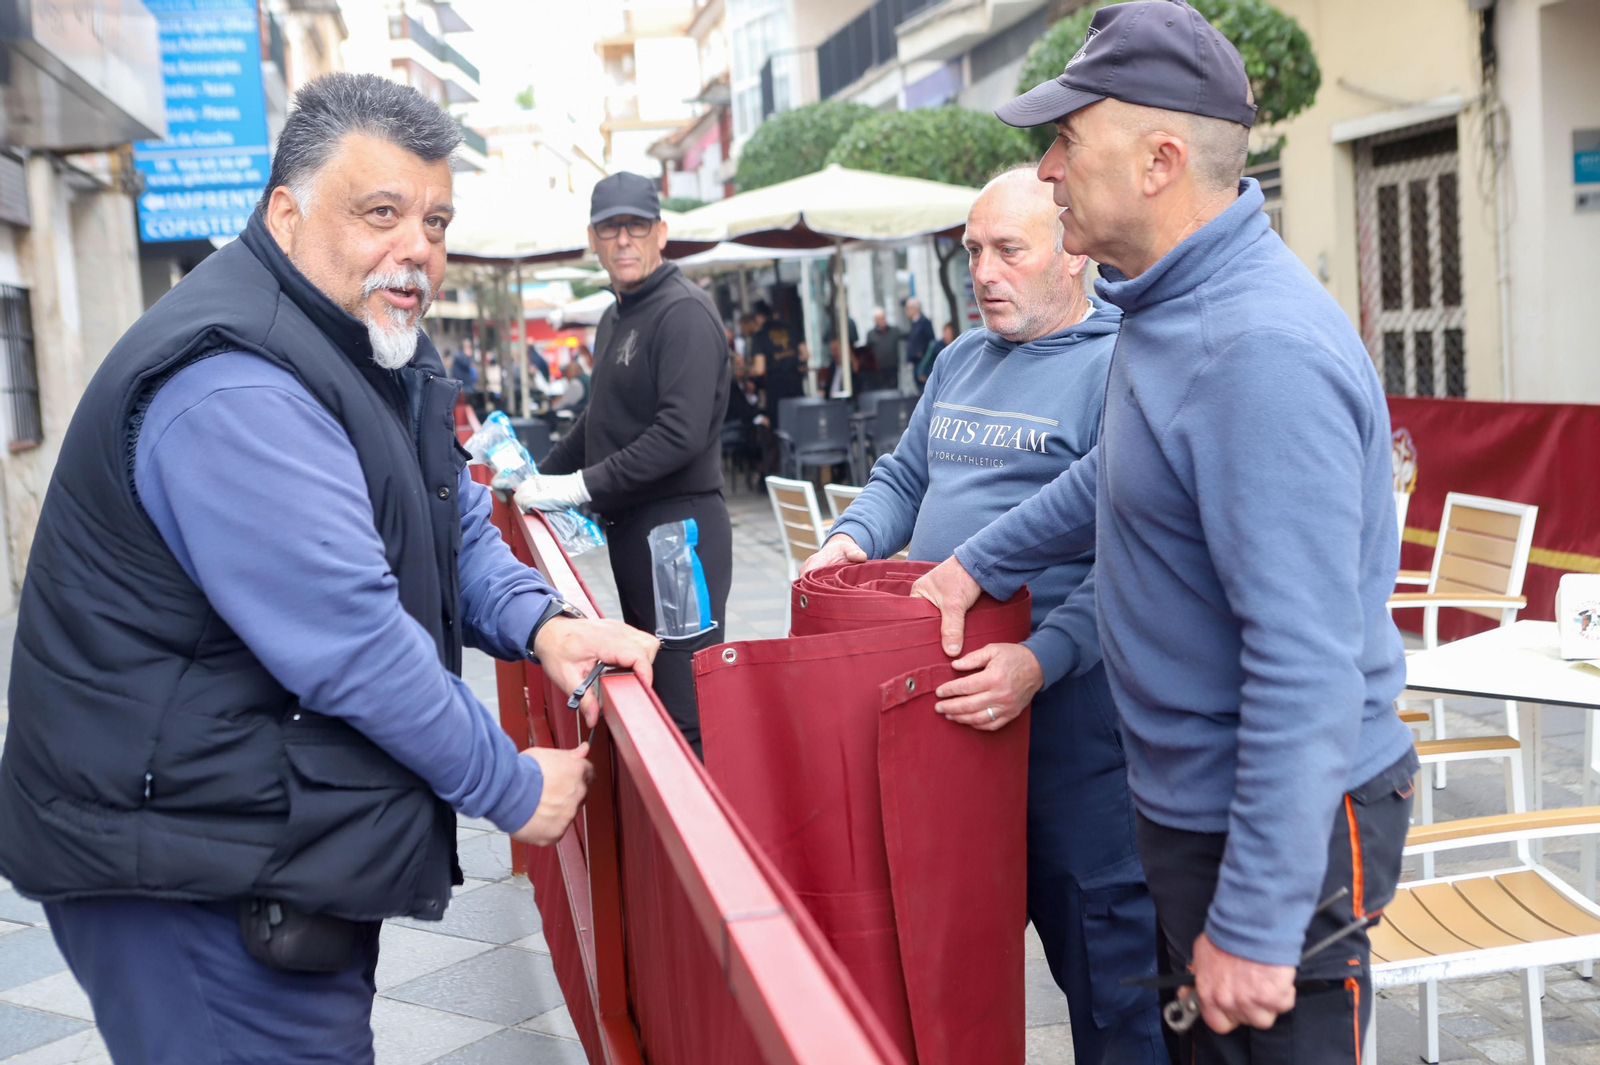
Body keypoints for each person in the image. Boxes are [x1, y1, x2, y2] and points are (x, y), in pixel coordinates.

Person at [0, 73, 660, 1065]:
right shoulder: (236, 381)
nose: (417, 250)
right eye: (380, 213)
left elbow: (449, 519)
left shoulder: (367, 343)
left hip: (260, 834)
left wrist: (542, 624)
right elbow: (349, 640)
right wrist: (510, 787)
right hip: (182, 864)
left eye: (434, 221)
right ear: (286, 211)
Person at [911, 5, 1417, 1060]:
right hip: (1191, 809)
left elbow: (1308, 661)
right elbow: (1117, 476)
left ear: (1158, 160)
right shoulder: (1167, 308)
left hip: (1277, 828)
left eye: (1065, 142)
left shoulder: (1255, 349)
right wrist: (975, 563)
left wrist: (1256, 919)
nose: (1047, 170)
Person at [801, 167, 1165, 1065]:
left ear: (1072, 253)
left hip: (1072, 732)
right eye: (972, 250)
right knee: (948, 963)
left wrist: (1041, 659)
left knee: (1112, 983)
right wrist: (853, 538)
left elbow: (1134, 559)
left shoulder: (1124, 365)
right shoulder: (960, 356)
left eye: (1010, 249)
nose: (983, 271)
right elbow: (904, 477)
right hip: (948, 723)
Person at [518, 172, 732, 755]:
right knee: (653, 691)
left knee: (687, 706)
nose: (623, 241)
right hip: (636, 535)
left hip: (680, 537)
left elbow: (680, 435)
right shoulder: (616, 316)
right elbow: (601, 415)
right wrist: (540, 472)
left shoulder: (682, 312)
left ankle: (703, 843)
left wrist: (580, 485)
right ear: (593, 239)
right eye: (610, 229)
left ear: (661, 233)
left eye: (636, 227)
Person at [747, 298, 805, 429]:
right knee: (800, 427)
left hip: (777, 390)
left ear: (758, 317)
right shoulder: (789, 327)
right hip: (796, 384)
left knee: (781, 430)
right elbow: (805, 354)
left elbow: (760, 369)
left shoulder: (760, 336)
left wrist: (750, 371)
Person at [864, 306, 902, 391]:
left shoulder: (894, 331)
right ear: (875, 321)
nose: (882, 320)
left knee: (893, 389)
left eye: (883, 318)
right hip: (878, 370)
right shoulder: (871, 334)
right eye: (879, 319)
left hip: (892, 368)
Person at [916, 321, 956, 389]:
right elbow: (926, 359)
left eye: (949, 333)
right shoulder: (936, 345)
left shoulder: (956, 345)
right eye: (946, 333)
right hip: (937, 377)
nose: (947, 335)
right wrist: (921, 372)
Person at [902, 297, 934, 379]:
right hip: (915, 361)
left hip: (923, 362)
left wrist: (921, 353)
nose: (906, 311)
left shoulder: (924, 322)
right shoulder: (913, 323)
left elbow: (931, 342)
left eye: (908, 308)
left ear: (915, 309)